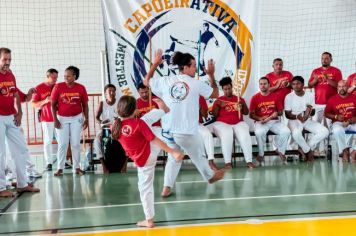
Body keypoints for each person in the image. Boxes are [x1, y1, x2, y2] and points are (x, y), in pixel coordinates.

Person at [145, 50, 224, 198]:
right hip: (185, 131)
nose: (195, 68)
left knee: (174, 158)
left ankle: (166, 188)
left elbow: (146, 81)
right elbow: (215, 94)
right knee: (198, 154)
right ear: (185, 68)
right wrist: (211, 74)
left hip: (168, 131)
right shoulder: (195, 83)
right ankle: (209, 176)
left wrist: (155, 64)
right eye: (193, 66)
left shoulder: (166, 80)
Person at [111, 95, 184, 228]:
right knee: (147, 121)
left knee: (145, 189)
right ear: (134, 111)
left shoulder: (115, 127)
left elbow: (150, 139)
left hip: (143, 158)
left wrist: (172, 152)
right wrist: (172, 151)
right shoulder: (139, 123)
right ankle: (163, 110)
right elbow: (154, 140)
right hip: (148, 152)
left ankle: (149, 220)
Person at [0, 47, 40, 197]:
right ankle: (1, 187)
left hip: (11, 116)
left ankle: (22, 184)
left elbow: (16, 93)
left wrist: (21, 110)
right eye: (5, 59)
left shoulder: (10, 75)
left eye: (9, 60)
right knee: (1, 153)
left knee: (21, 149)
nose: (8, 63)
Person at [51, 66, 89, 176]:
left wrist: (86, 119)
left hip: (77, 118)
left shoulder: (81, 88)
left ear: (74, 76)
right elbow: (53, 105)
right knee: (62, 144)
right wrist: (55, 120)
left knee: (75, 144)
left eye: (68, 76)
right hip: (61, 118)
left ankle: (77, 167)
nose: (65, 78)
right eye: (64, 76)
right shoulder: (58, 87)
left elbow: (85, 105)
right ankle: (60, 168)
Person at [211, 77, 255, 169]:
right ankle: (228, 163)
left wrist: (242, 105)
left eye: (229, 88)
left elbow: (246, 113)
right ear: (222, 90)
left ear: (232, 87)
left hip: (238, 123)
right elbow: (214, 115)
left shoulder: (239, 98)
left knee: (244, 135)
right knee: (227, 134)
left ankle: (249, 161)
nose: (227, 91)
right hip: (222, 123)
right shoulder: (219, 100)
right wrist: (218, 106)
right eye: (225, 89)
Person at [285, 76, 329, 161]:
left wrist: (309, 111)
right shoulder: (289, 96)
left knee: (325, 131)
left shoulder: (310, 95)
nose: (295, 86)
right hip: (294, 120)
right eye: (293, 84)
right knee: (296, 133)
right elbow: (287, 114)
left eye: (298, 83)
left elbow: (312, 112)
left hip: (307, 120)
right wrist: (297, 116)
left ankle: (305, 148)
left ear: (303, 84)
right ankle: (308, 151)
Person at [308, 52, 342, 155]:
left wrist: (327, 79)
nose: (324, 60)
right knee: (316, 126)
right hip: (318, 103)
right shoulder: (316, 71)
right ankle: (314, 149)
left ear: (331, 60)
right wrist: (315, 80)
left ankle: (328, 149)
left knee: (329, 127)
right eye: (322, 58)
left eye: (326, 58)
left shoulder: (336, 71)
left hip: (331, 104)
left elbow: (338, 85)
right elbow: (309, 85)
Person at [249, 77, 291, 163]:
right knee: (259, 133)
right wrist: (260, 118)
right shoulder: (255, 97)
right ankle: (261, 154)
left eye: (265, 84)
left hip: (274, 121)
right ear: (259, 85)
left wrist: (276, 114)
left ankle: (281, 150)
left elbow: (280, 112)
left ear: (269, 85)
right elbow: (251, 114)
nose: (263, 86)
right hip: (261, 122)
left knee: (286, 131)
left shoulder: (275, 96)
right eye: (261, 84)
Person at [32, 68, 58, 171]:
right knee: (48, 141)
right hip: (47, 119)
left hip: (60, 117)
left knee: (63, 141)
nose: (55, 79)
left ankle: (63, 161)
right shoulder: (39, 88)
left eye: (56, 77)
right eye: (53, 77)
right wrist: (45, 101)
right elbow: (33, 104)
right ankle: (49, 163)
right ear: (47, 76)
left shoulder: (58, 86)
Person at [92, 83, 121, 173]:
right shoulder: (102, 103)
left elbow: (124, 116)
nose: (111, 93)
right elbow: (96, 117)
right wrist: (101, 122)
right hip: (106, 128)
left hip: (118, 128)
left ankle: (124, 164)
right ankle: (103, 164)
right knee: (97, 140)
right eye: (109, 91)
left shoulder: (119, 103)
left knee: (126, 138)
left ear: (115, 93)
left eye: (113, 91)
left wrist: (118, 120)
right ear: (105, 93)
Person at [324, 80, 356, 162]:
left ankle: (354, 152)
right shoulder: (332, 99)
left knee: (351, 130)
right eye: (339, 86)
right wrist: (335, 116)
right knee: (337, 130)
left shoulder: (354, 97)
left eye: (344, 86)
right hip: (338, 123)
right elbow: (326, 113)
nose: (341, 88)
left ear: (348, 87)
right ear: (337, 87)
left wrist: (352, 119)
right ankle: (345, 151)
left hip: (352, 122)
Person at [198, 96, 219, 170]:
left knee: (208, 135)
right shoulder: (180, 97)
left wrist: (200, 108)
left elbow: (205, 116)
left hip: (197, 124)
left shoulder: (200, 97)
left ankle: (211, 161)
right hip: (182, 126)